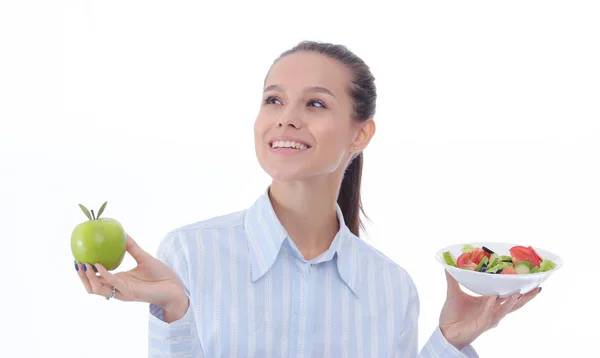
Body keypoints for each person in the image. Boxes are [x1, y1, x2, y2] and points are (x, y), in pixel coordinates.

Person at [75, 40, 542, 357]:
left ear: (360, 135)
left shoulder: (391, 288)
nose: (286, 119)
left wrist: (450, 341)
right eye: (273, 100)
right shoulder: (189, 255)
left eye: (315, 103)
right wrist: (176, 312)